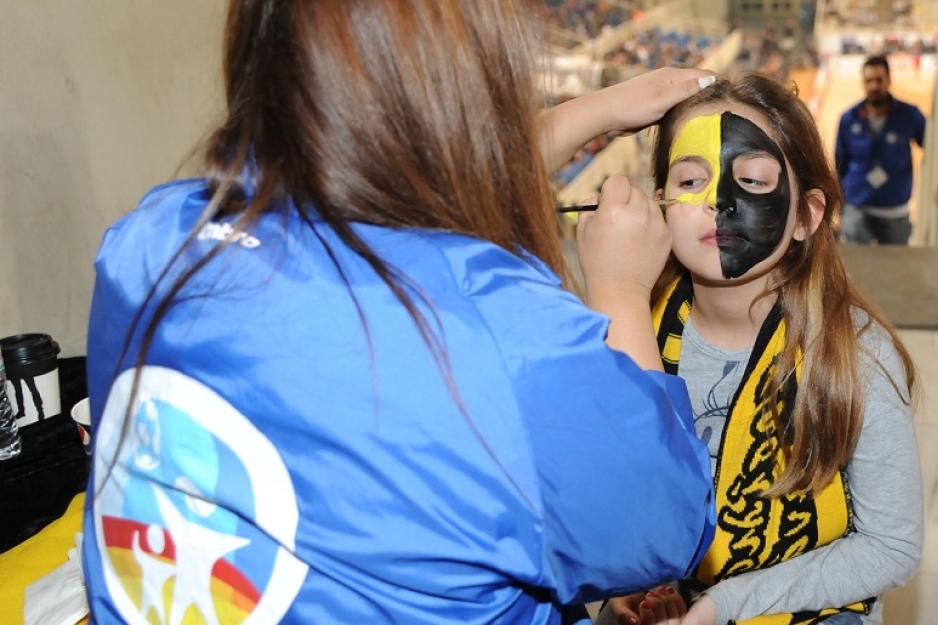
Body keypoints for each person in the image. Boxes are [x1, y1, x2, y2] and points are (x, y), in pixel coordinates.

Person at [81, 2, 722, 623]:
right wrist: (621, 291)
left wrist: (601, 109)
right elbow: (664, 523)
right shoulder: (501, 342)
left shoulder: (150, 242)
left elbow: (382, 182)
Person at [600, 75, 922, 625]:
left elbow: (892, 547)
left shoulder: (856, 357)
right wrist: (635, 579)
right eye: (690, 179)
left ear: (806, 216)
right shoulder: (633, 326)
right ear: (660, 204)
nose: (718, 203)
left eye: (750, 179)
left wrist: (723, 605)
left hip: (811, 603)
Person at [835, 56, 927, 245]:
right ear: (863, 82)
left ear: (889, 80)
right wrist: (839, 205)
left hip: (895, 210)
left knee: (896, 268)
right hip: (856, 207)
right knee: (857, 268)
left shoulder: (909, 115)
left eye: (879, 80)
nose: (874, 86)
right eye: (869, 81)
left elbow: (931, 145)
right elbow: (839, 163)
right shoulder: (848, 118)